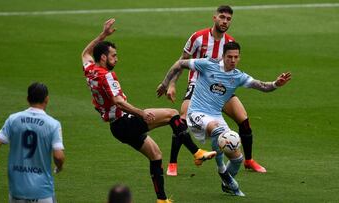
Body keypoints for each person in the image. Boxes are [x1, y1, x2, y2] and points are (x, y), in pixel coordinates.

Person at [81, 18, 216, 203]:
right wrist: (141, 113)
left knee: (155, 154)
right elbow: (118, 101)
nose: (116, 58)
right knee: (172, 114)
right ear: (103, 58)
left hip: (117, 128)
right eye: (113, 55)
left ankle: (161, 200)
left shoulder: (90, 70)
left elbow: (85, 53)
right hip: (125, 121)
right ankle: (196, 153)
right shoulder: (107, 76)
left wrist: (103, 35)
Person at [157, 41, 291, 195]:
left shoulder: (238, 76)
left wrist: (276, 83)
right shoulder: (208, 64)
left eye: (236, 57)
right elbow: (180, 63)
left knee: (237, 158)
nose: (233, 60)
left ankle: (226, 185)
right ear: (223, 56)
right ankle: (221, 170)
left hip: (215, 116)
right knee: (217, 128)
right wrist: (165, 83)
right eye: (229, 57)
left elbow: (262, 86)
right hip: (196, 113)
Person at [164, 5, 266, 176]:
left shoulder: (229, 43)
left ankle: (248, 160)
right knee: (182, 119)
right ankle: (173, 163)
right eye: (222, 17)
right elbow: (183, 60)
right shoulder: (198, 37)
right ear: (214, 18)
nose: (225, 21)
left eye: (228, 19)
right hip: (198, 86)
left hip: (222, 89)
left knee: (243, 118)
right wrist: (172, 84)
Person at [0, 82, 65, 203]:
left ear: (28, 99)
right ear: (47, 99)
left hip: (17, 191)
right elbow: (58, 156)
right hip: (43, 192)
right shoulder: (53, 124)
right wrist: (59, 167)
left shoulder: (13, 119)